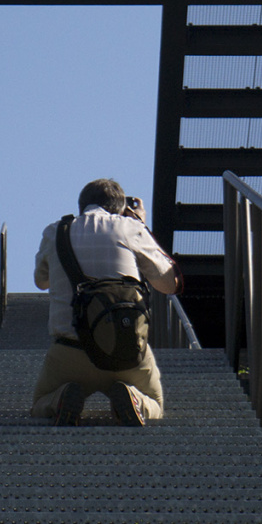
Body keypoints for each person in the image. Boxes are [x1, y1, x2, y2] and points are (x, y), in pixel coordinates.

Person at [30, 178, 180, 426]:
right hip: (128, 351)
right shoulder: (129, 227)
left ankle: (59, 399)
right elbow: (169, 284)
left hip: (70, 352)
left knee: (39, 403)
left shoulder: (55, 231)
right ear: (121, 208)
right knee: (155, 402)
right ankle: (135, 399)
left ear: (81, 206)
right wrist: (140, 224)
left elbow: (41, 281)